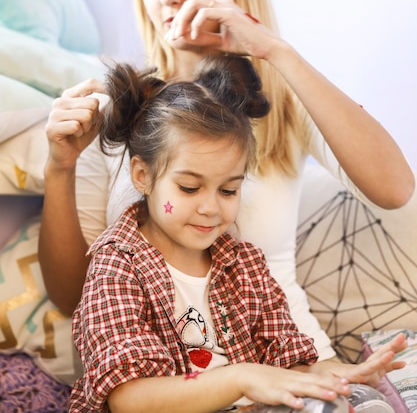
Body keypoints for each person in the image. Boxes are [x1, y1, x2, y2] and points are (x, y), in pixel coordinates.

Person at [40, 0, 414, 358]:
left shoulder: (282, 96)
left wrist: (275, 51)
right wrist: (60, 167)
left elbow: (395, 188)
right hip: (163, 383)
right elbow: (75, 296)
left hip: (293, 366)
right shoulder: (120, 105)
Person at [69, 55, 406, 413]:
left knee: (357, 402)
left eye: (228, 191)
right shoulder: (117, 266)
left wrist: (340, 376)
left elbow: (291, 365)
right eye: (189, 188)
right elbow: (128, 398)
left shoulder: (244, 265)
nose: (211, 208)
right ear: (142, 176)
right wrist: (241, 377)